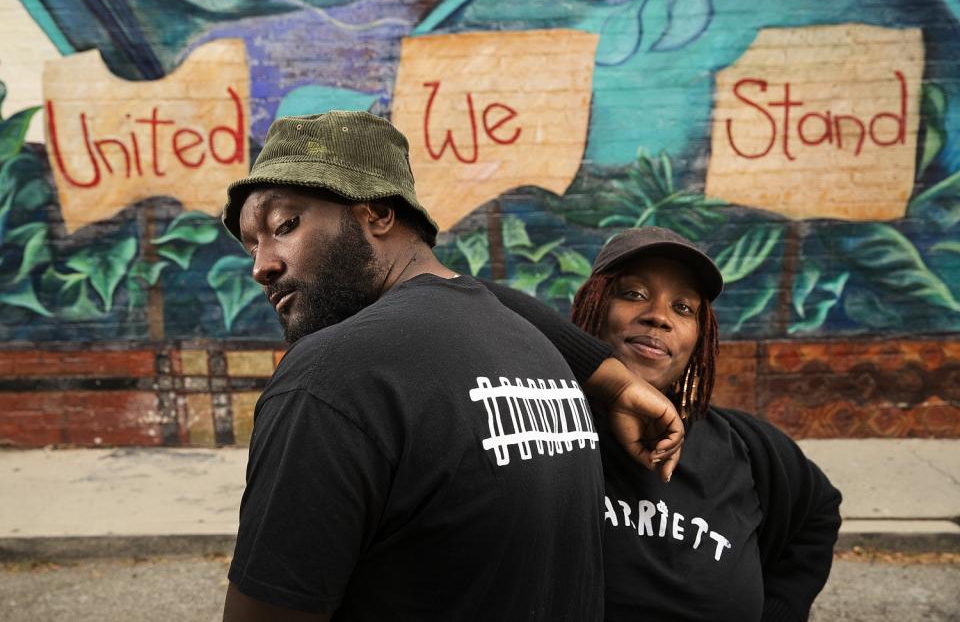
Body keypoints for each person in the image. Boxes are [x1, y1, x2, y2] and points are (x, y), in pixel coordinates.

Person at [218, 111, 683, 621]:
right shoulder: (536, 353)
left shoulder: (333, 374)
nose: (262, 266)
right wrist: (614, 382)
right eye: (251, 244)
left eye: (284, 225)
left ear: (376, 214)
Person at [561, 226, 842, 621]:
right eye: (633, 294)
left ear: (700, 339)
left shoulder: (746, 446)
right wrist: (602, 374)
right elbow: (472, 297)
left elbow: (819, 511)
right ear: (592, 306)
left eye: (683, 308)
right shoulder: (546, 430)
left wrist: (778, 610)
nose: (658, 317)